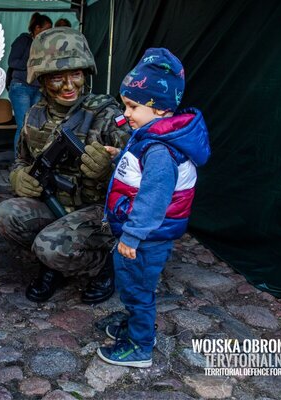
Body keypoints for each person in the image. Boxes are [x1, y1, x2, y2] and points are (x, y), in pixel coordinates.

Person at [0, 28, 130, 304]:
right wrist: (18, 176)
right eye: (57, 78)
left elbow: (140, 167)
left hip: (98, 212)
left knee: (48, 245)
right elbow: (22, 159)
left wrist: (111, 166)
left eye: (76, 75)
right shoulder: (34, 115)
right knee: (4, 215)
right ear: (42, 80)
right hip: (55, 204)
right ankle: (56, 264)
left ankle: (102, 266)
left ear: (86, 75)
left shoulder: (106, 114)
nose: (69, 86)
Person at [97, 48, 211, 367]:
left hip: (145, 238)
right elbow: (143, 171)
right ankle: (136, 323)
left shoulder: (160, 151)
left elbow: (154, 197)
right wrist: (119, 155)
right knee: (133, 286)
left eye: (132, 106)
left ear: (158, 109)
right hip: (145, 236)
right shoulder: (152, 138)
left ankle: (141, 344)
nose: (126, 113)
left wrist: (132, 236)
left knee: (137, 289)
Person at [7, 12, 52, 154]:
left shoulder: (46, 45)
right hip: (21, 87)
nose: (49, 32)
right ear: (37, 28)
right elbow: (12, 62)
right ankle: (18, 162)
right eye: (47, 28)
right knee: (23, 126)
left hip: (37, 88)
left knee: (35, 126)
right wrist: (33, 63)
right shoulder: (23, 40)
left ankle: (30, 160)